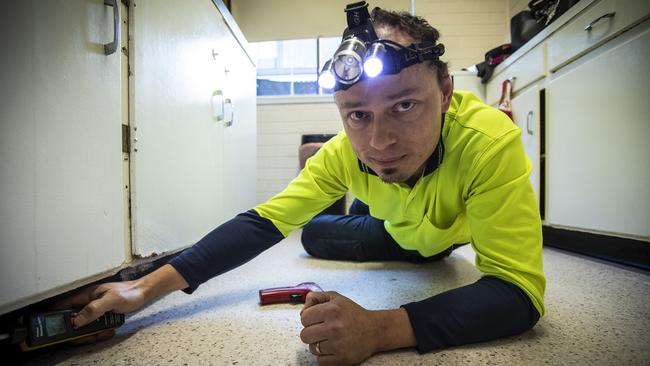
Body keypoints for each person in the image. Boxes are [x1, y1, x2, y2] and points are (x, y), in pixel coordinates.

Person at [63, 4, 545, 365]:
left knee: (332, 224)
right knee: (311, 233)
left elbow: (518, 294)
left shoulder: (489, 143)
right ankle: (358, 204)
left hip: (441, 241)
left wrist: (379, 329)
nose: (380, 142)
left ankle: (356, 205)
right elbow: (261, 224)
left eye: (404, 106)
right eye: (358, 114)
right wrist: (143, 289)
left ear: (444, 94)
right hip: (395, 233)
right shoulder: (345, 150)